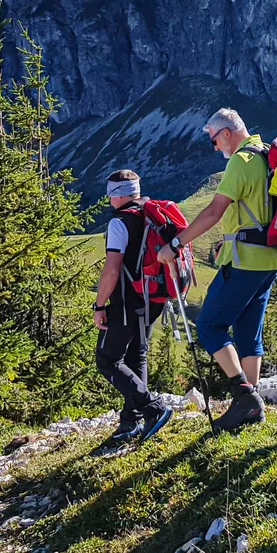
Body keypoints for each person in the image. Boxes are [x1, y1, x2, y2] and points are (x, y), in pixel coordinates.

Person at [157, 108, 277, 432]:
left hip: (244, 262)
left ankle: (244, 398)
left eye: (214, 140)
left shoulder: (240, 163)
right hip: (269, 258)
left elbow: (214, 211)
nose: (215, 147)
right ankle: (251, 406)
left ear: (226, 133)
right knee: (248, 333)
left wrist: (176, 245)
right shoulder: (267, 154)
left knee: (210, 326)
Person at [93, 169, 174, 443]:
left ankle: (154, 408)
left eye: (110, 194)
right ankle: (130, 423)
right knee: (136, 356)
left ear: (116, 194)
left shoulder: (119, 222)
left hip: (126, 302)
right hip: (153, 298)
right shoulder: (151, 212)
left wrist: (99, 304)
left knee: (107, 359)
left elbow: (112, 269)